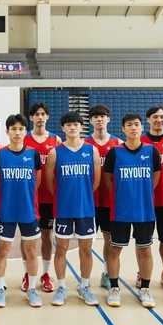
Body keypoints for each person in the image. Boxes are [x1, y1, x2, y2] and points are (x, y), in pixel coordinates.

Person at [103, 113, 161, 308]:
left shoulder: (151, 152)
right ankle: (114, 288)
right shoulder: (114, 152)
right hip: (120, 210)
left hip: (144, 210)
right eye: (129, 125)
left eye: (136, 124)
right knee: (115, 249)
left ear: (142, 127)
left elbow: (156, 177)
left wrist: (142, 192)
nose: (133, 128)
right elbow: (108, 180)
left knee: (145, 249)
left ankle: (145, 289)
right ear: (123, 129)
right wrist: (123, 194)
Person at [47, 111, 100, 306]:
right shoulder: (55, 152)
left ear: (81, 127)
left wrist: (83, 196)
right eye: (68, 125)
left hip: (85, 209)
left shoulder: (91, 151)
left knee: (86, 249)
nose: (72, 128)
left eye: (75, 124)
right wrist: (64, 197)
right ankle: (61, 287)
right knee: (61, 249)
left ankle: (84, 286)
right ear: (63, 128)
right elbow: (50, 182)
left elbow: (96, 181)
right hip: (63, 209)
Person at [0, 114, 43, 308]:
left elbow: (36, 182)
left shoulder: (33, 154)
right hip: (7, 211)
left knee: (31, 251)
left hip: (29, 211)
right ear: (7, 131)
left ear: (25, 132)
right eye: (13, 129)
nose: (17, 132)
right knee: (3, 250)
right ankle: (0, 288)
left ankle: (32, 289)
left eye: (21, 129)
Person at [23, 102, 60, 293]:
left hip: (48, 197)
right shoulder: (23, 138)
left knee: (47, 236)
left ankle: (45, 273)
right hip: (28, 197)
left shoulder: (56, 140)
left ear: (47, 117)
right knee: (26, 238)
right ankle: (27, 273)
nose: (40, 117)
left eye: (43, 114)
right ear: (31, 117)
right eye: (36, 114)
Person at [84, 104, 122, 290]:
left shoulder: (118, 144)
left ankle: (107, 273)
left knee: (109, 240)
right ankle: (85, 278)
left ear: (108, 119)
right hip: (88, 201)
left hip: (109, 201)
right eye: (96, 116)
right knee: (86, 241)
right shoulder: (83, 144)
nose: (99, 119)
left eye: (103, 116)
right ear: (91, 121)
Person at [140, 105, 163, 290]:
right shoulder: (139, 141)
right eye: (155, 117)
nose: (159, 120)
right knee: (143, 241)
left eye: (162, 116)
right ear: (148, 120)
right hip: (144, 201)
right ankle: (142, 273)